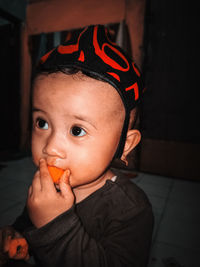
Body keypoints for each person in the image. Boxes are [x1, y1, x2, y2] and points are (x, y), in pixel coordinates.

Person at [0, 24, 153, 267]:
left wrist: (55, 225)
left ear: (125, 144)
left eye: (77, 130)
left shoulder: (131, 211)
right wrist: (19, 235)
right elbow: (30, 220)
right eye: (42, 123)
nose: (51, 148)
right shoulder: (48, 182)